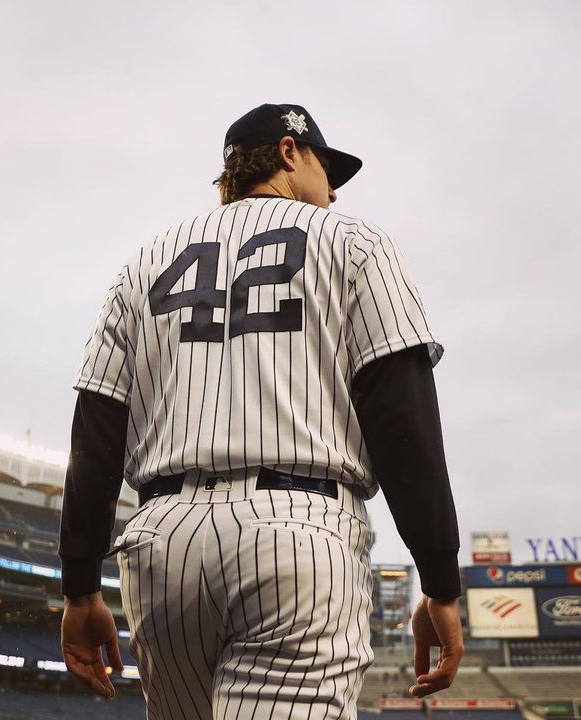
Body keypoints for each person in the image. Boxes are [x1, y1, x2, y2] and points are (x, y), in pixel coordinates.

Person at [58, 103, 463, 718]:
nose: (334, 192)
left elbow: (96, 430)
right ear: (288, 152)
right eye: (327, 170)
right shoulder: (356, 242)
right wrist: (439, 579)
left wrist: (80, 587)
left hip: (162, 545)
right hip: (298, 533)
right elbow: (402, 420)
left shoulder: (144, 261)